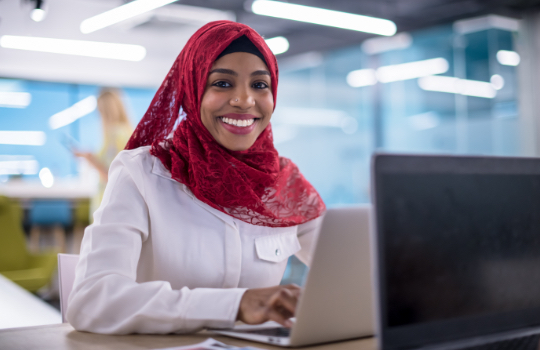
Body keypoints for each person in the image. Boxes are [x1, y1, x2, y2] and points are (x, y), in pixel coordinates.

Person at [67, 21, 326, 335]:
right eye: (222, 83)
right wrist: (236, 304)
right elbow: (90, 301)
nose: (244, 100)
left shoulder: (283, 183)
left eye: (260, 85)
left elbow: (353, 268)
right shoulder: (141, 173)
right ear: (192, 89)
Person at [73, 88, 133, 215]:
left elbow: (113, 175)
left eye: (100, 111)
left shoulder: (118, 135)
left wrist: (91, 161)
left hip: (111, 206)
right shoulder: (116, 135)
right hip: (107, 204)